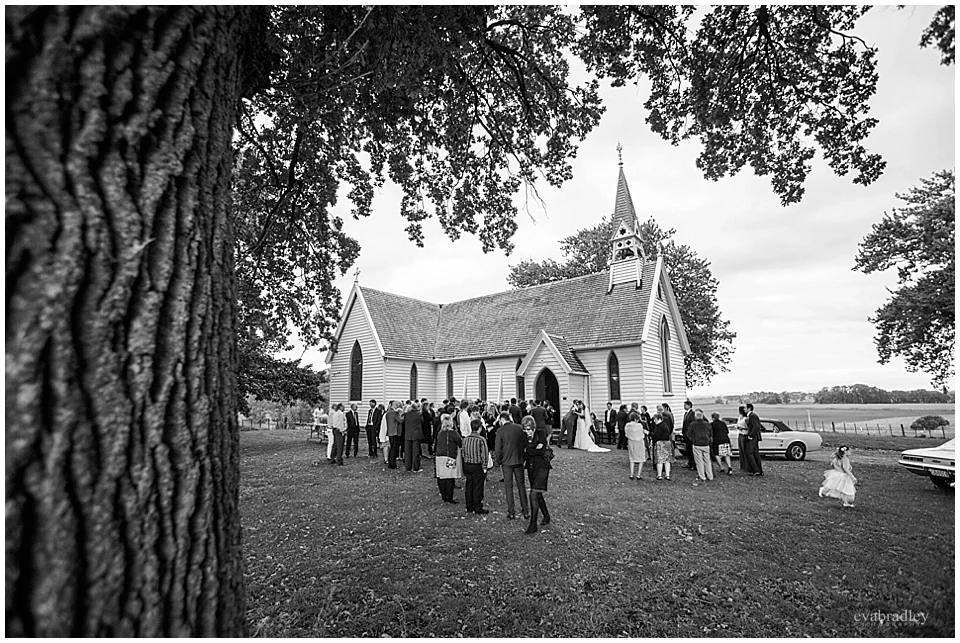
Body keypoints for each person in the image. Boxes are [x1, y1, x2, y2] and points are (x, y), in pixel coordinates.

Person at [496, 413, 530, 520]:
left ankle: (511, 511)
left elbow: (498, 448)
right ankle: (525, 510)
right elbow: (525, 443)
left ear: (502, 420)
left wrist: (499, 460)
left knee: (508, 487)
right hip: (518, 460)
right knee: (521, 486)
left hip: (506, 461)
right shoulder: (519, 428)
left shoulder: (501, 431)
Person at [522, 419, 552, 534]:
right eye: (525, 429)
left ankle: (533, 524)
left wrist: (529, 449)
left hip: (542, 467)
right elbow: (523, 453)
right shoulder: (524, 437)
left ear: (533, 428)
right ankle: (546, 515)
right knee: (537, 494)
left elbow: (542, 450)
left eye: (529, 429)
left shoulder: (540, 433)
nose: (527, 432)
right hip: (531, 468)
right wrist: (532, 449)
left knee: (533, 494)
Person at [461, 419, 490, 514]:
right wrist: (485, 466)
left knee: (469, 485)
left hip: (467, 464)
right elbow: (484, 454)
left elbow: (463, 452)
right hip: (477, 465)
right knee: (478, 486)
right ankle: (477, 506)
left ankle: (469, 505)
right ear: (480, 428)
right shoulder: (481, 440)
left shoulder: (465, 439)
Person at [433, 414, 463, 504]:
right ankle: (449, 497)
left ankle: (443, 496)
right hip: (449, 457)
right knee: (449, 477)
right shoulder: (453, 433)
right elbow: (460, 443)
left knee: (441, 477)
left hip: (439, 457)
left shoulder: (440, 433)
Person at [688, 410, 714, 482]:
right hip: (706, 443)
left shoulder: (693, 424)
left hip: (697, 444)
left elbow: (689, 434)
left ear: (696, 417)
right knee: (707, 460)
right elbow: (711, 433)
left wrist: (693, 439)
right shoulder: (707, 424)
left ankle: (702, 476)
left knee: (699, 461)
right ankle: (710, 475)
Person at [652, 405, 674, 480]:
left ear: (658, 419)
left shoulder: (658, 426)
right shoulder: (665, 425)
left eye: (655, 419)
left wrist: (648, 433)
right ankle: (667, 475)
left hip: (660, 444)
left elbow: (656, 436)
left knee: (659, 460)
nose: (654, 421)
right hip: (667, 443)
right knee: (667, 460)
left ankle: (659, 475)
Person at [624, 411, 647, 480]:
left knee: (632, 457)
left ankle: (631, 474)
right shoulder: (639, 425)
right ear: (635, 419)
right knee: (641, 458)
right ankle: (638, 474)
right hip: (639, 442)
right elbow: (642, 435)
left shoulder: (627, 425)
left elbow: (626, 434)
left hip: (631, 442)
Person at [743, 403, 764, 476]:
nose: (744, 409)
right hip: (754, 437)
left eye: (745, 408)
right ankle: (758, 471)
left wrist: (750, 435)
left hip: (753, 437)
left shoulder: (752, 416)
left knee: (749, 452)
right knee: (755, 454)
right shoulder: (751, 416)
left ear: (749, 408)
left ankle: (756, 470)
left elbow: (756, 426)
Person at [403, 400, 424, 472]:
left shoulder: (406, 414)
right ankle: (415, 467)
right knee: (416, 452)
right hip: (416, 434)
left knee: (407, 451)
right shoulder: (419, 414)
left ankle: (408, 467)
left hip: (408, 434)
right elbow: (422, 421)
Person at [385, 401, 403, 469]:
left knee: (391, 447)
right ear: (394, 405)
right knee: (394, 448)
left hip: (390, 431)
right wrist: (402, 414)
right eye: (397, 405)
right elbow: (400, 420)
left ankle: (390, 462)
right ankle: (392, 463)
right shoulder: (394, 413)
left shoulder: (388, 412)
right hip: (395, 432)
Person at [681, 400, 696, 470]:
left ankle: (693, 464)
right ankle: (690, 463)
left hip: (689, 435)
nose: (684, 407)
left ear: (689, 406)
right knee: (688, 450)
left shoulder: (692, 414)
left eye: (685, 405)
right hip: (686, 435)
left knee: (691, 450)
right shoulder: (686, 414)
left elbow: (691, 424)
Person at [735, 406, 749, 471]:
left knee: (744, 450)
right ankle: (742, 466)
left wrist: (742, 428)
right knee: (740, 451)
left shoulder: (746, 419)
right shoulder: (740, 418)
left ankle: (746, 466)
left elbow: (749, 427)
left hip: (744, 434)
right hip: (740, 434)